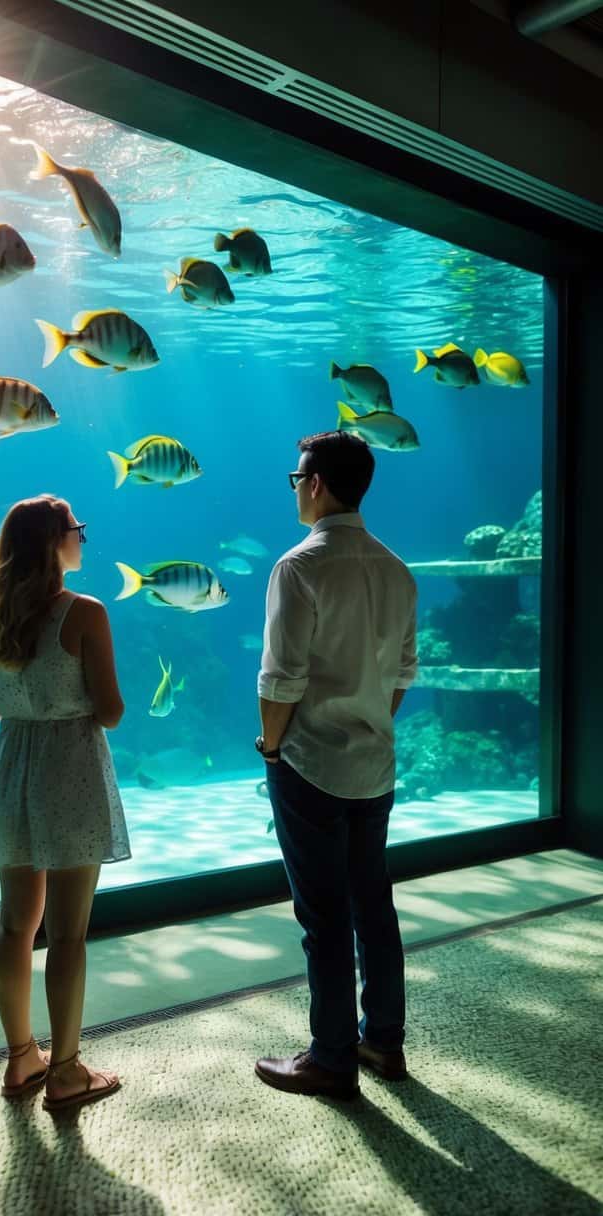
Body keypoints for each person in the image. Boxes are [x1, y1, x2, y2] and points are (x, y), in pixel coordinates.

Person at [253, 431, 417, 1102]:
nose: (295, 488)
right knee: (372, 903)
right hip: (372, 762)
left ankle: (330, 1058)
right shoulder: (395, 567)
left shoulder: (299, 566)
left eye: (297, 478)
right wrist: (371, 720)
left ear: (316, 484)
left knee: (321, 915)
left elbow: (280, 680)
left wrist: (270, 746)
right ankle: (382, 1040)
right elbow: (402, 673)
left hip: (310, 762)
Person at [0, 493, 131, 1112]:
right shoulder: (84, 612)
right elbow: (111, 712)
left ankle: (20, 1060)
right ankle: (65, 1072)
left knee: (14, 924)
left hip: (12, 770)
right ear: (51, 542)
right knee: (67, 933)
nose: (82, 537)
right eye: (75, 528)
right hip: (71, 770)